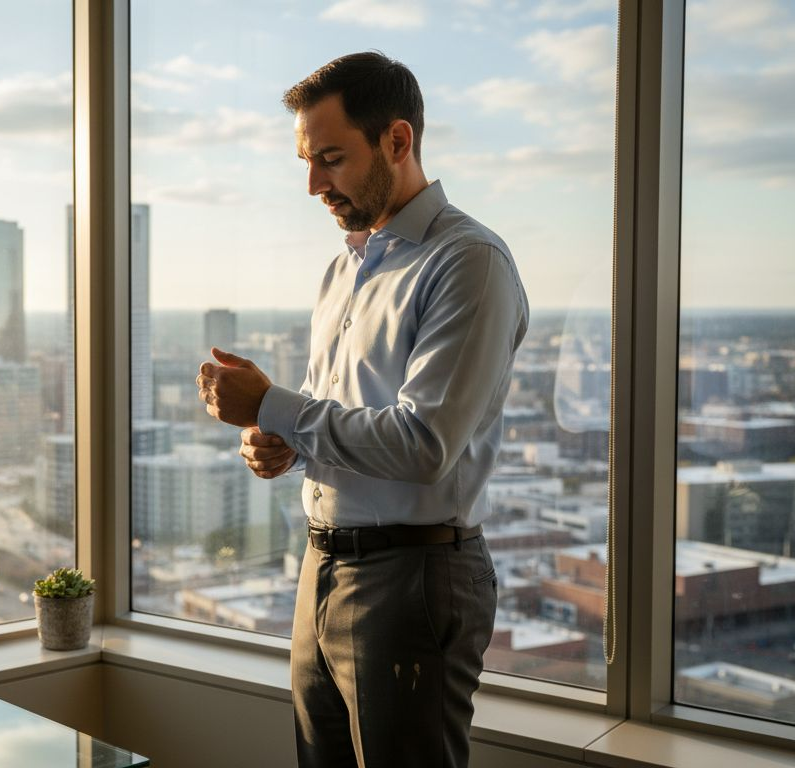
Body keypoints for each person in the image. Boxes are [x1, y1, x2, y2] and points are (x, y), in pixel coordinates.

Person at [194, 52, 528, 768]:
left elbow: (421, 443)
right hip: (321, 567)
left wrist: (278, 405)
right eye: (307, 162)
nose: (314, 184)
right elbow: (343, 419)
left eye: (332, 159)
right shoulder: (344, 268)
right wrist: (276, 438)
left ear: (398, 142)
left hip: (412, 580)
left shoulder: (467, 262)